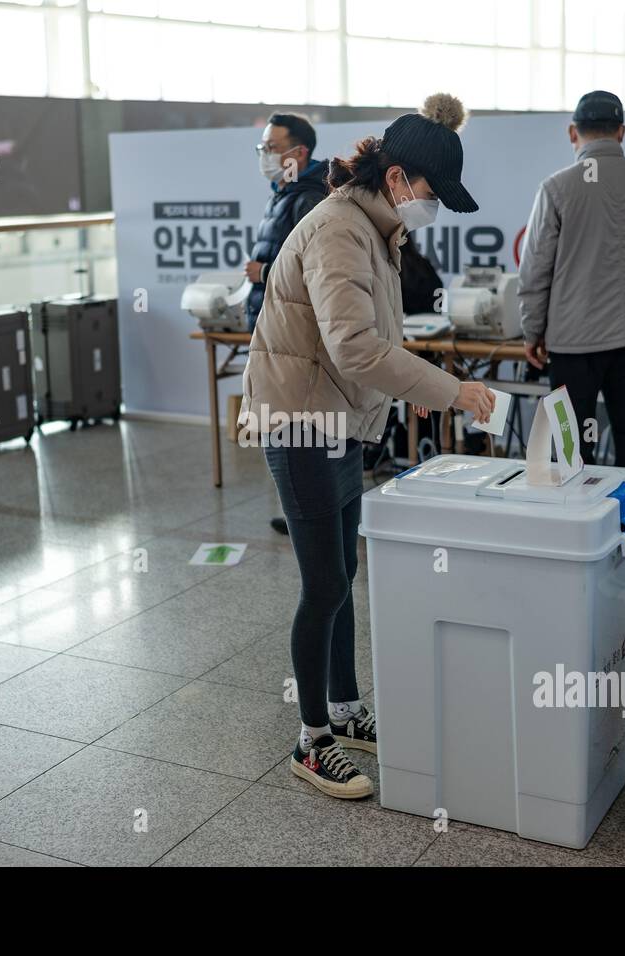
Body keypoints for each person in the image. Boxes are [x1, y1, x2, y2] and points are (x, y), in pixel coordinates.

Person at [240, 93, 495, 799]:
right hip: (300, 421)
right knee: (323, 582)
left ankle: (346, 709)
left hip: (339, 417)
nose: (433, 207)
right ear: (395, 180)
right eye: (430, 193)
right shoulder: (338, 231)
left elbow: (374, 336)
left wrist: (404, 381)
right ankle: (312, 740)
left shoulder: (375, 229)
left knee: (341, 574)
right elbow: (353, 345)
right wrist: (449, 389)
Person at [518, 90, 625, 475]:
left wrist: (532, 330)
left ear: (572, 132)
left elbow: (535, 268)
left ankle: (576, 530)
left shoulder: (557, 188)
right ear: (621, 132)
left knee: (571, 443)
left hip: (574, 343)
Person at [247, 113, 330, 537]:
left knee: (300, 431)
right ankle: (299, 508)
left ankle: (310, 513)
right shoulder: (282, 192)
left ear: (298, 153)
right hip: (271, 326)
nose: (264, 155)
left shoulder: (310, 198)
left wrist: (261, 275)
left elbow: (307, 269)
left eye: (272, 147)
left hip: (293, 334)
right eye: (262, 147)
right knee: (282, 428)